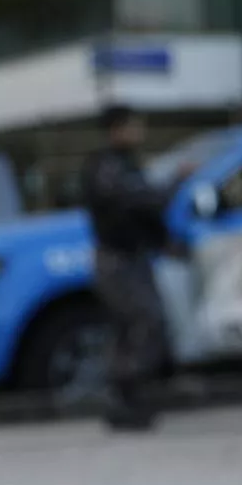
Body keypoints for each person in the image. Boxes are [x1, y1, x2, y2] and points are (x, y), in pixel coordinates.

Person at [80, 105, 183, 432]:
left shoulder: (124, 164)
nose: (139, 131)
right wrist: (176, 183)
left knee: (130, 329)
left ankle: (128, 400)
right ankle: (124, 394)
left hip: (132, 258)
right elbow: (140, 200)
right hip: (117, 261)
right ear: (118, 128)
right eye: (133, 125)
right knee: (146, 320)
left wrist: (163, 241)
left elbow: (142, 212)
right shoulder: (106, 166)